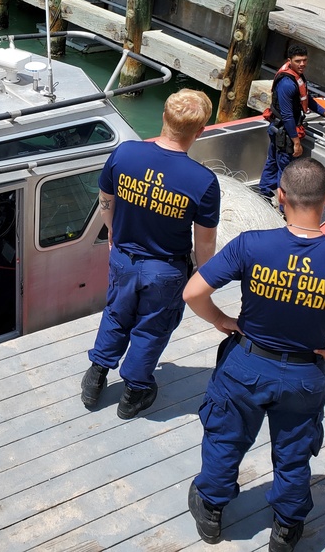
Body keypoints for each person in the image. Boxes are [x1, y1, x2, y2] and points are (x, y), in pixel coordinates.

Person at [183, 157, 325, 551]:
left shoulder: (251, 244)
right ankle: (285, 529)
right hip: (303, 376)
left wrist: (220, 320)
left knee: (225, 440)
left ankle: (212, 513)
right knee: (293, 455)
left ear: (280, 196)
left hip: (245, 365)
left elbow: (193, 292)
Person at [80, 89, 220, 419]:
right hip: (166, 271)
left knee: (116, 314)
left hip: (123, 258)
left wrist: (112, 229)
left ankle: (95, 378)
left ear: (164, 118)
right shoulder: (203, 181)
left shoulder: (125, 154)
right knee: (151, 328)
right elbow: (204, 244)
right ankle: (134, 393)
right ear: (199, 131)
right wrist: (203, 277)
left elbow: (106, 197)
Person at [258, 45, 325, 198]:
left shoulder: (298, 77)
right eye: (298, 61)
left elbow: (306, 98)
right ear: (289, 61)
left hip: (277, 128)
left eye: (304, 60)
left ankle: (264, 191)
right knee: (285, 168)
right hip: (285, 132)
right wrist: (296, 142)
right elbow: (288, 115)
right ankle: (283, 207)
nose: (302, 64)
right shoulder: (287, 84)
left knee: (273, 161)